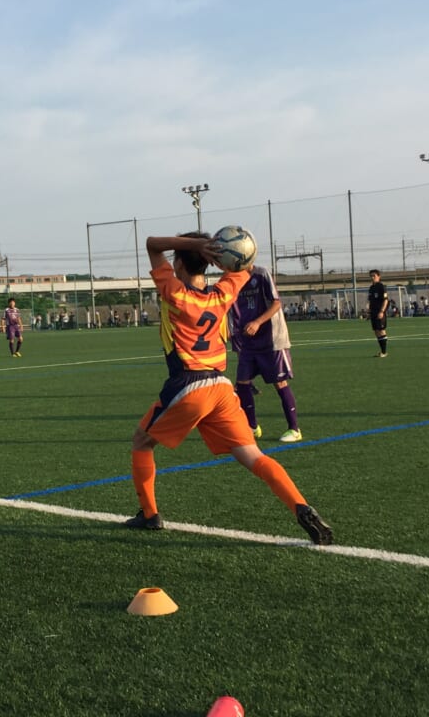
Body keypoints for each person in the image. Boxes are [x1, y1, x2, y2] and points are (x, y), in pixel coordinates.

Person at [125, 232, 332, 545]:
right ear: (211, 263)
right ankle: (301, 506)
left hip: (189, 384)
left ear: (178, 263)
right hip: (221, 387)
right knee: (253, 455)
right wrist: (221, 253)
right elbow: (243, 265)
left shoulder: (175, 294)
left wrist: (195, 245)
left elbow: (152, 244)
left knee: (142, 441)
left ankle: (150, 514)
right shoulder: (223, 292)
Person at [229, 265, 302, 443]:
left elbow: (276, 303)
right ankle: (252, 427)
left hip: (272, 340)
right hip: (248, 342)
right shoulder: (232, 279)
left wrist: (257, 322)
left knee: (279, 382)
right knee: (242, 382)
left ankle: (294, 429)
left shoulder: (261, 274)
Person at [367, 269, 389, 358]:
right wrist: (369, 312)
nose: (372, 278)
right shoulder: (371, 288)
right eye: (371, 276)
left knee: (381, 330)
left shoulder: (381, 287)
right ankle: (382, 351)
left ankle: (384, 352)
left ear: (379, 276)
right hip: (373, 312)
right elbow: (370, 301)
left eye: (374, 276)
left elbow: (385, 300)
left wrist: (382, 311)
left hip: (379, 312)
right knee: (376, 331)